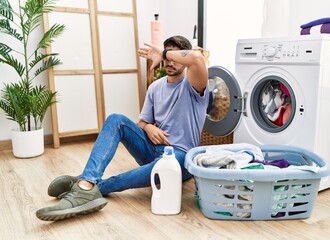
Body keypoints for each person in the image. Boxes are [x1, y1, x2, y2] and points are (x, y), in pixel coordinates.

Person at [36, 35, 209, 221]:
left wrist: (165, 53)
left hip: (179, 158)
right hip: (152, 149)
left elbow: (197, 59)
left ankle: (88, 186)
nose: (169, 61)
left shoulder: (193, 85)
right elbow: (141, 124)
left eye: (174, 57)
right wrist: (149, 127)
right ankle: (88, 180)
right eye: (166, 57)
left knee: (137, 176)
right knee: (116, 119)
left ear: (182, 59)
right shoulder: (155, 88)